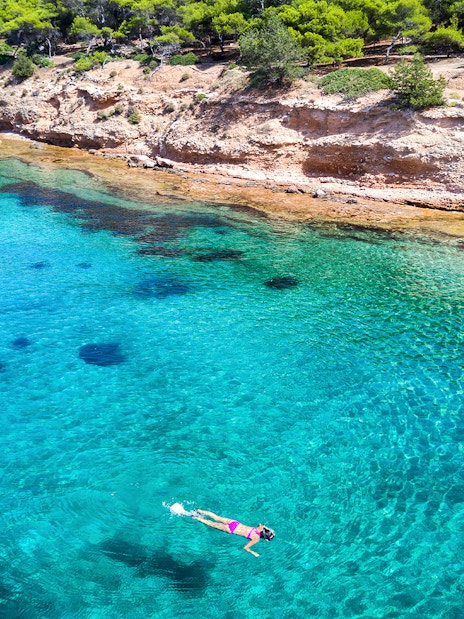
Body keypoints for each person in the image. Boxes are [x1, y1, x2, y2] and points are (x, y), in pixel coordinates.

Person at [192, 509, 275, 557]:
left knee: (216, 517)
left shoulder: (260, 528)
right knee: (212, 524)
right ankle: (196, 518)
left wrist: (265, 527)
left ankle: (198, 510)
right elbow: (245, 547)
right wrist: (253, 553)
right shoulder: (256, 539)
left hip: (235, 523)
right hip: (231, 529)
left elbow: (260, 524)